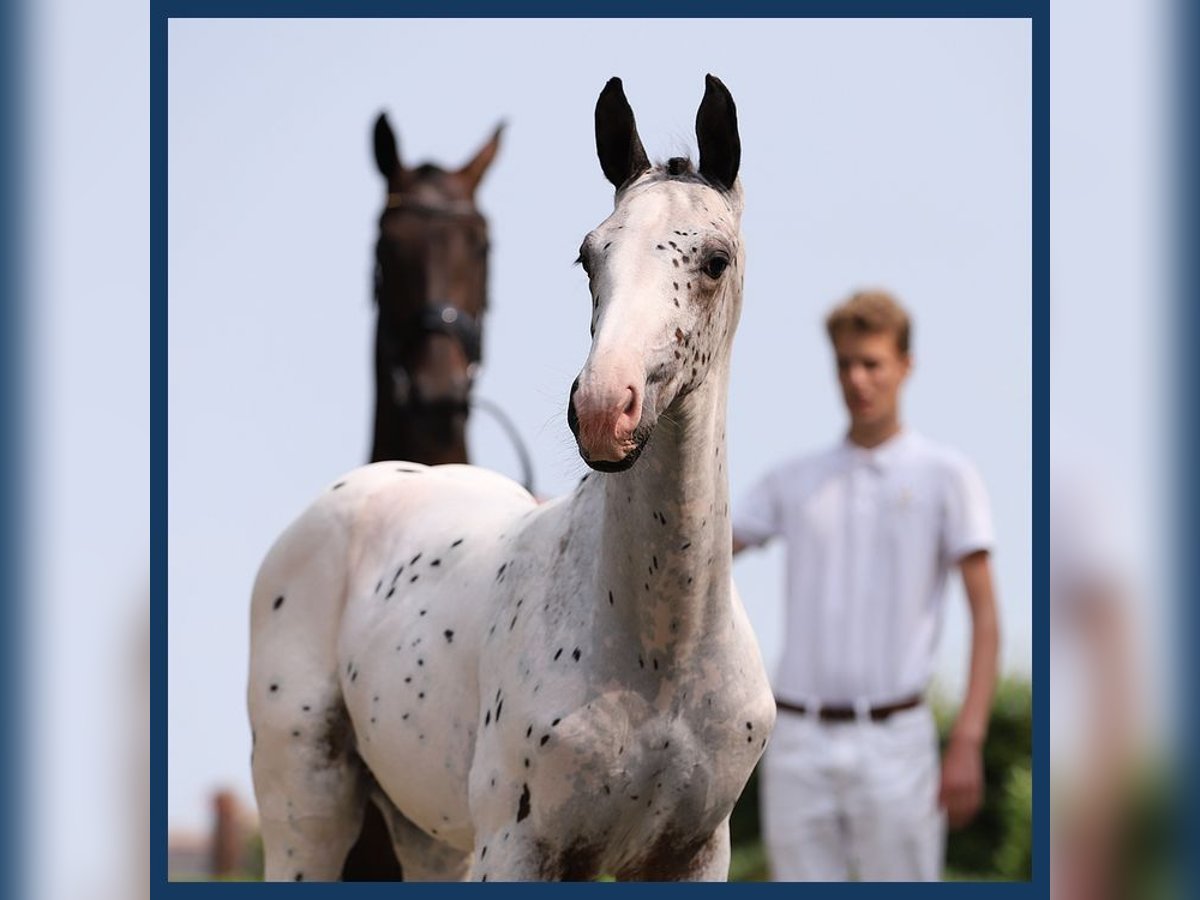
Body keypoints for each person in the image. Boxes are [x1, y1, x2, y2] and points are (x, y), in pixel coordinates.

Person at [732, 289, 1000, 881]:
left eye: (872, 362)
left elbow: (985, 617)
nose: (858, 379)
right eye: (845, 364)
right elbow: (699, 550)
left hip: (897, 742)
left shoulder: (946, 476)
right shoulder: (794, 479)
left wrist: (968, 741)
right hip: (798, 741)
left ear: (905, 366)